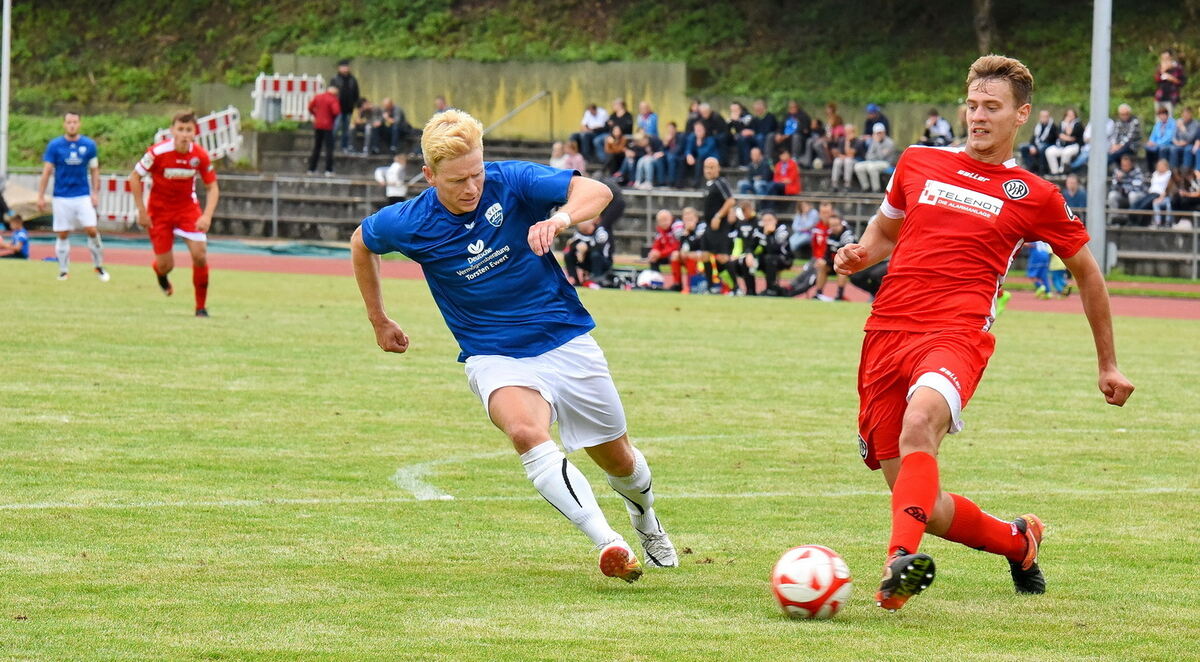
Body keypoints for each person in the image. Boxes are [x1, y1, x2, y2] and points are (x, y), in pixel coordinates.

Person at [834, 54, 1134, 612]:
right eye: (972, 105)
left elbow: (1088, 273)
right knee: (920, 498)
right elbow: (884, 230)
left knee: (921, 423)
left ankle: (897, 565)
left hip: (956, 334)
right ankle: (1016, 541)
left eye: (991, 107)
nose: (978, 116)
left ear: (1020, 115)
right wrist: (857, 254)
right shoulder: (918, 162)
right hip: (885, 333)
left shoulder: (1034, 194)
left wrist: (1107, 363)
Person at [350, 109, 678, 581]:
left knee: (619, 459)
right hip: (493, 353)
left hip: (563, 338)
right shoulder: (409, 221)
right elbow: (362, 241)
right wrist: (378, 319)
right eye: (457, 180)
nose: (471, 188)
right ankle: (609, 542)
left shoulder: (513, 181)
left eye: (477, 173)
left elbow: (599, 192)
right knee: (526, 432)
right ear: (429, 176)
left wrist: (560, 219)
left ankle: (646, 520)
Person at [129, 110, 220, 317]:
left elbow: (212, 187)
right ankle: (161, 274)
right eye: (180, 129)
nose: (184, 134)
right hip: (159, 213)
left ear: (195, 132)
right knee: (166, 265)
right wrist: (142, 212)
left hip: (187, 210)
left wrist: (206, 216)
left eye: (188, 130)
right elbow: (134, 178)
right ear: (172, 131)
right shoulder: (157, 153)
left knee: (200, 254)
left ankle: (200, 308)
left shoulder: (199, 156)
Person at [36, 112, 108, 281]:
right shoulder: (55, 146)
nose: (72, 125)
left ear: (79, 124)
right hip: (61, 196)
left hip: (82, 195)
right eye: (69, 122)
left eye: (75, 122)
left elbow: (94, 169)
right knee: (62, 233)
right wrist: (40, 195)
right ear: (64, 124)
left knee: (91, 229)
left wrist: (95, 193)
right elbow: (47, 171)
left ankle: (98, 267)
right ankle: (63, 270)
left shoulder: (88, 145)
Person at [700, 157, 736, 292]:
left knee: (722, 257)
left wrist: (718, 216)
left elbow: (731, 201)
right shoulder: (707, 184)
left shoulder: (721, 182)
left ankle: (736, 287)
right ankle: (710, 287)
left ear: (718, 168)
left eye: (711, 167)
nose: (709, 170)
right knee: (704, 255)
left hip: (719, 227)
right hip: (708, 226)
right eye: (706, 167)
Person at [307, 85, 341, 176]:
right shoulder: (333, 99)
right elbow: (336, 111)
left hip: (318, 125)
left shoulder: (318, 97)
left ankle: (311, 169)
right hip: (328, 126)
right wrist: (332, 118)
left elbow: (310, 107)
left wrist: (316, 115)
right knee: (329, 148)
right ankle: (328, 170)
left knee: (317, 147)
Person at [757, 211, 792, 296]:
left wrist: (768, 234)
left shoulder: (782, 230)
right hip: (766, 258)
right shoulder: (759, 230)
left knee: (770, 259)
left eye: (770, 220)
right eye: (764, 220)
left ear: (776, 220)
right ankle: (750, 291)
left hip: (783, 258)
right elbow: (752, 245)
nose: (767, 222)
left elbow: (774, 249)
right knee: (755, 259)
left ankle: (771, 289)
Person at [645, 209, 683, 288]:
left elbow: (677, 246)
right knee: (653, 258)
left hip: (680, 254)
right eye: (661, 221)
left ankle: (677, 284)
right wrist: (654, 252)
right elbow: (657, 244)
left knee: (674, 255)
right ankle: (656, 282)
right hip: (667, 254)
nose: (664, 223)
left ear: (671, 218)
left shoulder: (677, 226)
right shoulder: (660, 230)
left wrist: (660, 254)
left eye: (665, 219)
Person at [854, 123, 896, 193]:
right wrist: (874, 155)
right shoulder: (873, 141)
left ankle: (876, 189)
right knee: (858, 166)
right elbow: (868, 156)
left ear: (884, 132)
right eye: (877, 133)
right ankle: (866, 187)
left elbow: (881, 157)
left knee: (872, 167)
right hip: (873, 162)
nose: (878, 135)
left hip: (886, 163)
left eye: (880, 133)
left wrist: (877, 144)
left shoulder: (890, 143)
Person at [331, 60, 361, 153]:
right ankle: (330, 146)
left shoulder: (352, 79)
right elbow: (331, 93)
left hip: (348, 108)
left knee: (346, 129)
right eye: (343, 67)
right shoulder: (335, 79)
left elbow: (356, 93)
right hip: (337, 108)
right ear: (339, 68)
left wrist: (356, 105)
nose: (345, 69)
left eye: (346, 67)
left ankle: (344, 147)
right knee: (335, 128)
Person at [1044, 108, 1083, 175]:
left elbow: (1069, 133)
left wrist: (1067, 125)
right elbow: (1060, 135)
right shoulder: (1062, 124)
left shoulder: (1078, 124)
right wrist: (1068, 138)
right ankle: (1055, 171)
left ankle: (1063, 171)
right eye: (1068, 115)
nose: (1070, 117)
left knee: (1066, 152)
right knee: (1049, 151)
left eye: (1072, 115)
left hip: (1074, 146)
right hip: (1062, 146)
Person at [1018, 109, 1056, 175]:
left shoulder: (1052, 126)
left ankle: (1041, 169)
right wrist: (1032, 146)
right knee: (1023, 147)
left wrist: (1037, 146)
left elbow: (1051, 139)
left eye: (1045, 116)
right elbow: (1033, 139)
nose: (1044, 118)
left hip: (1048, 144)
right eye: (1042, 116)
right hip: (1037, 145)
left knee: (1042, 149)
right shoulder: (1038, 126)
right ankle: (1030, 167)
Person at [1154, 49, 1186, 115]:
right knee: (1159, 121)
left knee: (1170, 119)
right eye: (1163, 58)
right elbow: (1156, 80)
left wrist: (1172, 79)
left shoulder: (1177, 67)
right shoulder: (1159, 67)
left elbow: (1182, 82)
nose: (1165, 60)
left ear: (1170, 57)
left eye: (1166, 58)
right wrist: (1163, 70)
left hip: (1172, 98)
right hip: (1160, 97)